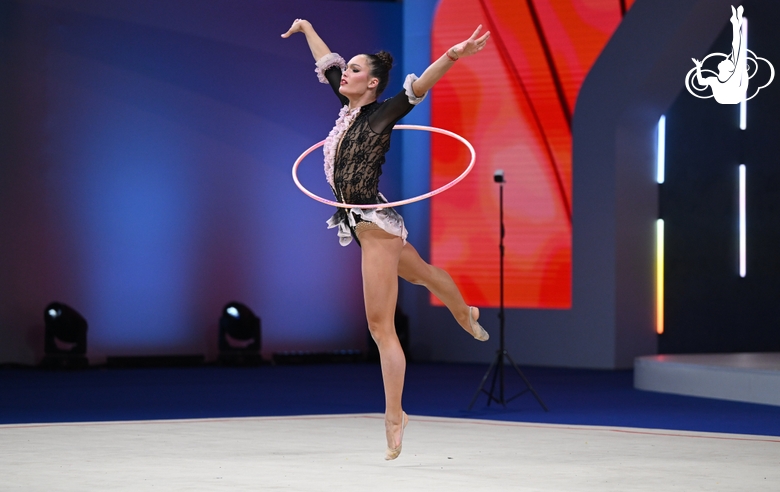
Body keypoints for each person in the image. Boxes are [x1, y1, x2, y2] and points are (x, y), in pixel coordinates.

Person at [281, 19, 490, 460]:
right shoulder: (348, 107)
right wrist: (308, 28)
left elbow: (420, 88)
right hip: (366, 224)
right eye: (347, 71)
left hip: (375, 227)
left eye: (354, 70)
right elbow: (326, 62)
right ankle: (464, 310)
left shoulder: (381, 113)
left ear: (371, 83)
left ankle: (395, 415)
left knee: (380, 327)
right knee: (424, 275)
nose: (344, 74)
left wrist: (453, 54)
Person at [692, 5, 747, 104]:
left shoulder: (732, 76)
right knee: (737, 52)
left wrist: (698, 68)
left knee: (736, 50)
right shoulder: (717, 80)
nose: (725, 59)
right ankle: (735, 23)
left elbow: (737, 46)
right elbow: (701, 82)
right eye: (727, 60)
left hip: (732, 97)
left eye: (726, 61)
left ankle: (735, 23)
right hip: (728, 97)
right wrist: (698, 67)